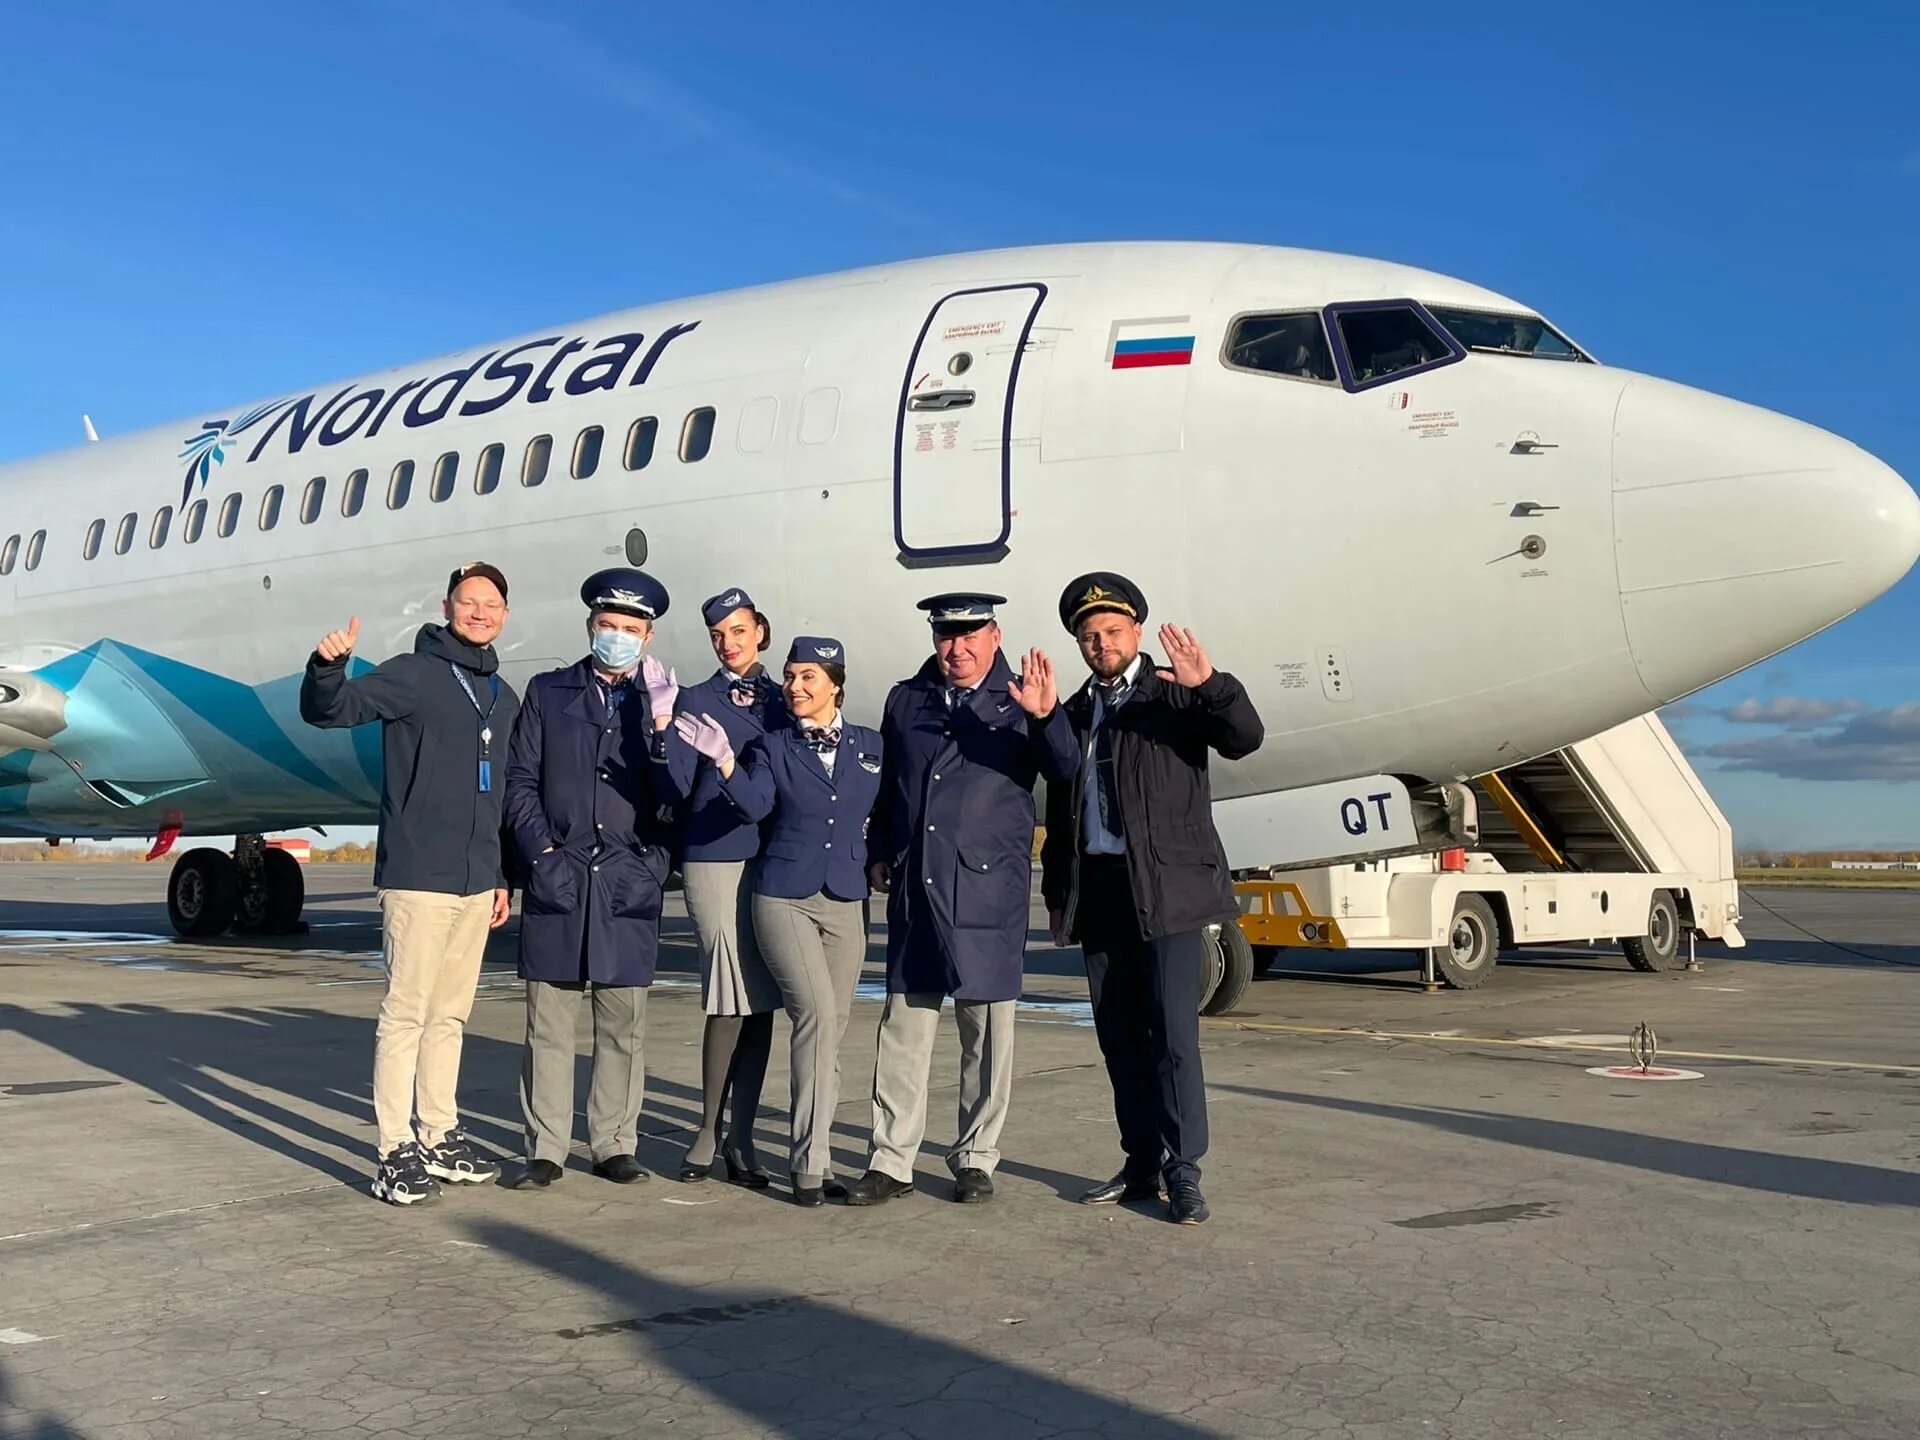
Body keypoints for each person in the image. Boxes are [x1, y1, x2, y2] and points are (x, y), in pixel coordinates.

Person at [1040, 573, 1264, 1225]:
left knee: (1172, 1037)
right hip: (1103, 891)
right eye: (1088, 635)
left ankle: (1184, 1168)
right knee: (1118, 1037)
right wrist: (1061, 897)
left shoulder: (1175, 694)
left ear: (1135, 631)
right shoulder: (1077, 712)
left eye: (1111, 631)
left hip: (1167, 890)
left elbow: (1245, 737)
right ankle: (1140, 1161)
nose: (1099, 642)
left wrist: (1211, 686)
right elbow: (1063, 813)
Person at [299, 561, 520, 1207]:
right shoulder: (414, 674)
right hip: (419, 878)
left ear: (505, 615)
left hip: (476, 882)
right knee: (406, 1015)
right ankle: (393, 1149)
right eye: (468, 601)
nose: (480, 612)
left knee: (449, 1017)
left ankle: (439, 1136)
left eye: (491, 604)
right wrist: (327, 666)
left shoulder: (501, 696)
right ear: (449, 606)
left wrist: (501, 874)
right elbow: (333, 710)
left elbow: (500, 794)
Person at [847, 593, 1078, 1207]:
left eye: (971, 635)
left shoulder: (1023, 697)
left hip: (984, 888)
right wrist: (881, 851)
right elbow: (891, 785)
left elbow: (1065, 767)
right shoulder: (907, 699)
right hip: (916, 886)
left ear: (995, 636)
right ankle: (891, 1159)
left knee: (987, 1031)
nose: (958, 648)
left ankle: (975, 1156)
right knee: (904, 1030)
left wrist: (1046, 715)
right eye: (948, 636)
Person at [673, 637, 883, 1207]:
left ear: (835, 683)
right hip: (784, 897)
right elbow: (756, 804)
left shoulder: (870, 745)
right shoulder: (772, 745)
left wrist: (882, 855)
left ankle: (818, 1154)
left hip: (845, 897)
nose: (794, 687)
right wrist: (723, 760)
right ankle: (809, 1165)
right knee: (813, 1014)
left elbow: (888, 811)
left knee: (832, 1028)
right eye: (789, 676)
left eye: (808, 677)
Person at [502, 567, 676, 1190]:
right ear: (590, 627)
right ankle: (546, 1147)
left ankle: (613, 1143)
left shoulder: (661, 706)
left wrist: (653, 865)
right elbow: (520, 780)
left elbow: (675, 796)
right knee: (548, 1025)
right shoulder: (548, 694)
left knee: (622, 1026)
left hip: (628, 879)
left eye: (631, 629)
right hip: (560, 874)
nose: (619, 637)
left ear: (648, 636)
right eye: (609, 626)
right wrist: (542, 857)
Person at [657, 586, 787, 1186]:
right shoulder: (696, 698)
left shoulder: (788, 700)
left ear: (759, 630)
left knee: (760, 999)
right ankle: (707, 1131)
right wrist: (665, 726)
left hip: (774, 859)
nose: (729, 644)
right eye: (718, 636)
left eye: (738, 631)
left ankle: (741, 1138)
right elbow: (679, 785)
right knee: (728, 989)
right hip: (715, 856)